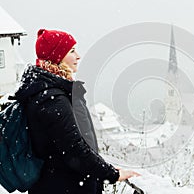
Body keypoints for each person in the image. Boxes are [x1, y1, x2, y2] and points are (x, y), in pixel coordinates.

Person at [14, 29, 139, 194]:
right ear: (57, 57)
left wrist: (100, 167)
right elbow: (74, 149)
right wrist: (112, 174)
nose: (78, 56)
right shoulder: (52, 98)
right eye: (72, 51)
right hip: (65, 186)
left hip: (62, 183)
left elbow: (75, 144)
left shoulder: (49, 91)